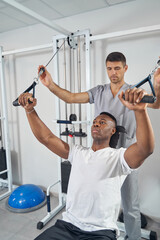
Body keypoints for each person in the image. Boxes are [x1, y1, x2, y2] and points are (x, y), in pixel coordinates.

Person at [37, 52, 160, 239]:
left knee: (131, 207)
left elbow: (156, 103)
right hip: (99, 159)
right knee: (92, 201)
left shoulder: (132, 92)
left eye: (117, 68)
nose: (113, 73)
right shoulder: (99, 91)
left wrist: (157, 85)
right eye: (109, 68)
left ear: (125, 68)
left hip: (125, 158)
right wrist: (50, 85)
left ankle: (133, 237)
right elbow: (70, 97)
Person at [18, 88, 154, 240]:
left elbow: (145, 149)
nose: (96, 124)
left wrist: (140, 111)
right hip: (67, 227)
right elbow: (47, 138)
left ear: (113, 130)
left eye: (102, 122)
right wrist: (30, 111)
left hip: (100, 232)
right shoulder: (77, 152)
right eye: (95, 122)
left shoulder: (119, 157)